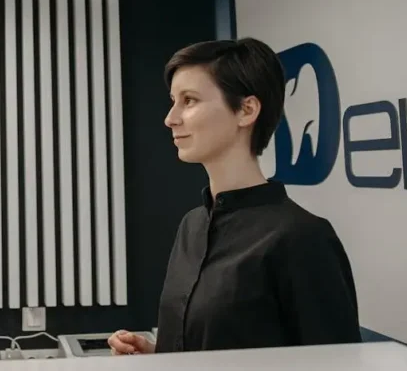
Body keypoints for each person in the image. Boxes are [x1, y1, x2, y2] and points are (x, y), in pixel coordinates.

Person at [108, 38, 361, 355]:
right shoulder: (193, 224)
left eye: (189, 100)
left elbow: (337, 364)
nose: (170, 118)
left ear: (246, 109)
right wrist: (161, 357)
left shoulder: (302, 237)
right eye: (173, 100)